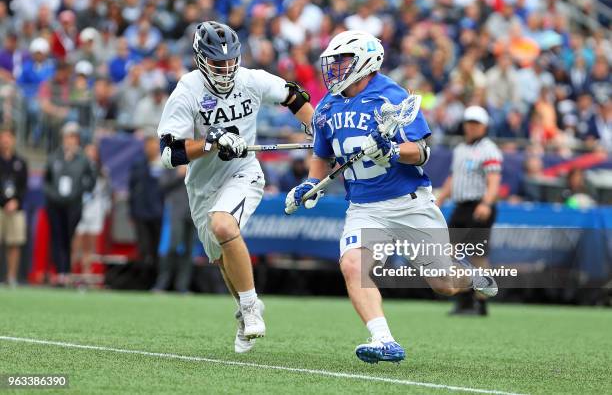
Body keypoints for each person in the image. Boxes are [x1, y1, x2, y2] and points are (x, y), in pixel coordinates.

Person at [285, 31, 497, 364]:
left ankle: (467, 274)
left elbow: (422, 151)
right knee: (353, 264)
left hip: (409, 203)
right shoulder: (326, 106)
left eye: (343, 62)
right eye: (334, 63)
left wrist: (393, 150)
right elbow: (322, 152)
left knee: (443, 283)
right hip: (364, 208)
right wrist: (310, 183)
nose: (335, 70)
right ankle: (383, 339)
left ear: (366, 62)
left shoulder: (391, 96)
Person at [157, 21, 314, 353]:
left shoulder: (250, 80)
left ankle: (250, 306)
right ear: (201, 59)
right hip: (201, 185)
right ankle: (247, 309)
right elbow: (169, 154)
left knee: (224, 224)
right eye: (218, 63)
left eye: (230, 61)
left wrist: (315, 127)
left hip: (243, 173)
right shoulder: (187, 90)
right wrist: (211, 142)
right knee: (221, 258)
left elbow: (293, 95)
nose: (226, 69)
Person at [436, 106, 503, 316]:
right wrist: (439, 199)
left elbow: (494, 181)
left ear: (484, 126)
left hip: (479, 205)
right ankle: (464, 300)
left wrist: (486, 203)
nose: (471, 127)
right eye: (469, 123)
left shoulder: (489, 149)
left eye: (476, 123)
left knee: (477, 256)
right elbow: (453, 179)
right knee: (453, 253)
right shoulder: (460, 149)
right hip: (461, 206)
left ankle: (481, 302)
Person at [43, 122, 96, 286]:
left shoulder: (83, 159)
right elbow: (46, 181)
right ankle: (59, 272)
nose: (70, 141)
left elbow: (91, 180)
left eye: (74, 137)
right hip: (55, 205)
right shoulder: (54, 157)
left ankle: (66, 271)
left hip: (73, 205)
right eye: (68, 137)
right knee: (57, 237)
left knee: (69, 237)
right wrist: (54, 195)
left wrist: (79, 191)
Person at [152, 165, 194, 294]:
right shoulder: (173, 159)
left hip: (194, 210)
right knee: (173, 245)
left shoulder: (199, 159)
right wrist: (178, 174)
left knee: (189, 250)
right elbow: (162, 184)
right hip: (176, 210)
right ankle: (162, 284)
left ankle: (182, 286)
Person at [72, 143, 110, 277]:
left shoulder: (102, 172)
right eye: (88, 152)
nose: (91, 155)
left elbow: (105, 193)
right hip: (80, 208)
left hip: (95, 210)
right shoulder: (77, 169)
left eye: (93, 152)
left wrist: (106, 209)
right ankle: (71, 272)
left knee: (90, 245)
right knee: (76, 243)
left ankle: (86, 272)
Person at [128, 135, 164, 266]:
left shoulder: (164, 164)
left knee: (157, 246)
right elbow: (131, 188)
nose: (151, 148)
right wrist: (131, 211)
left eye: (154, 145)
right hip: (140, 211)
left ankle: (155, 277)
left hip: (158, 212)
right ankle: (143, 278)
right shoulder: (138, 164)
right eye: (149, 145)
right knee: (143, 246)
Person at [0, 128, 28, 287]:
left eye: (8, 137)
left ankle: (11, 277)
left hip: (16, 208)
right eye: (2, 137)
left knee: (15, 243)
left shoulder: (21, 162)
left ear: (13, 140)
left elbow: (24, 187)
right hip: (0, 207)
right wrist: (3, 203)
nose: (5, 141)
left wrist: (15, 201)